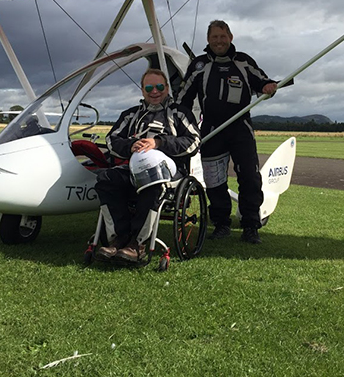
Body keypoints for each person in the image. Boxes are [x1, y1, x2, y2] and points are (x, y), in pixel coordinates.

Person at [177, 20, 277, 244]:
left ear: (230, 37)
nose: (219, 41)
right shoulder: (199, 65)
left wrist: (268, 87)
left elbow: (261, 80)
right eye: (214, 37)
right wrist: (184, 123)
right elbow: (183, 97)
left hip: (241, 129)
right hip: (212, 130)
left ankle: (251, 225)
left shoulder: (243, 61)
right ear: (208, 40)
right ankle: (221, 223)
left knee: (250, 178)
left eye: (222, 36)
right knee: (214, 181)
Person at [94, 68, 200, 263]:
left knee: (153, 181)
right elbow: (111, 139)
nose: (154, 91)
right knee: (105, 179)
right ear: (142, 90)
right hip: (133, 168)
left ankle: (137, 243)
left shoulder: (179, 113)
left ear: (167, 88)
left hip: (170, 173)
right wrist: (130, 146)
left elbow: (193, 141)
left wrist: (158, 143)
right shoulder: (130, 115)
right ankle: (118, 238)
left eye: (159, 86)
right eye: (149, 87)